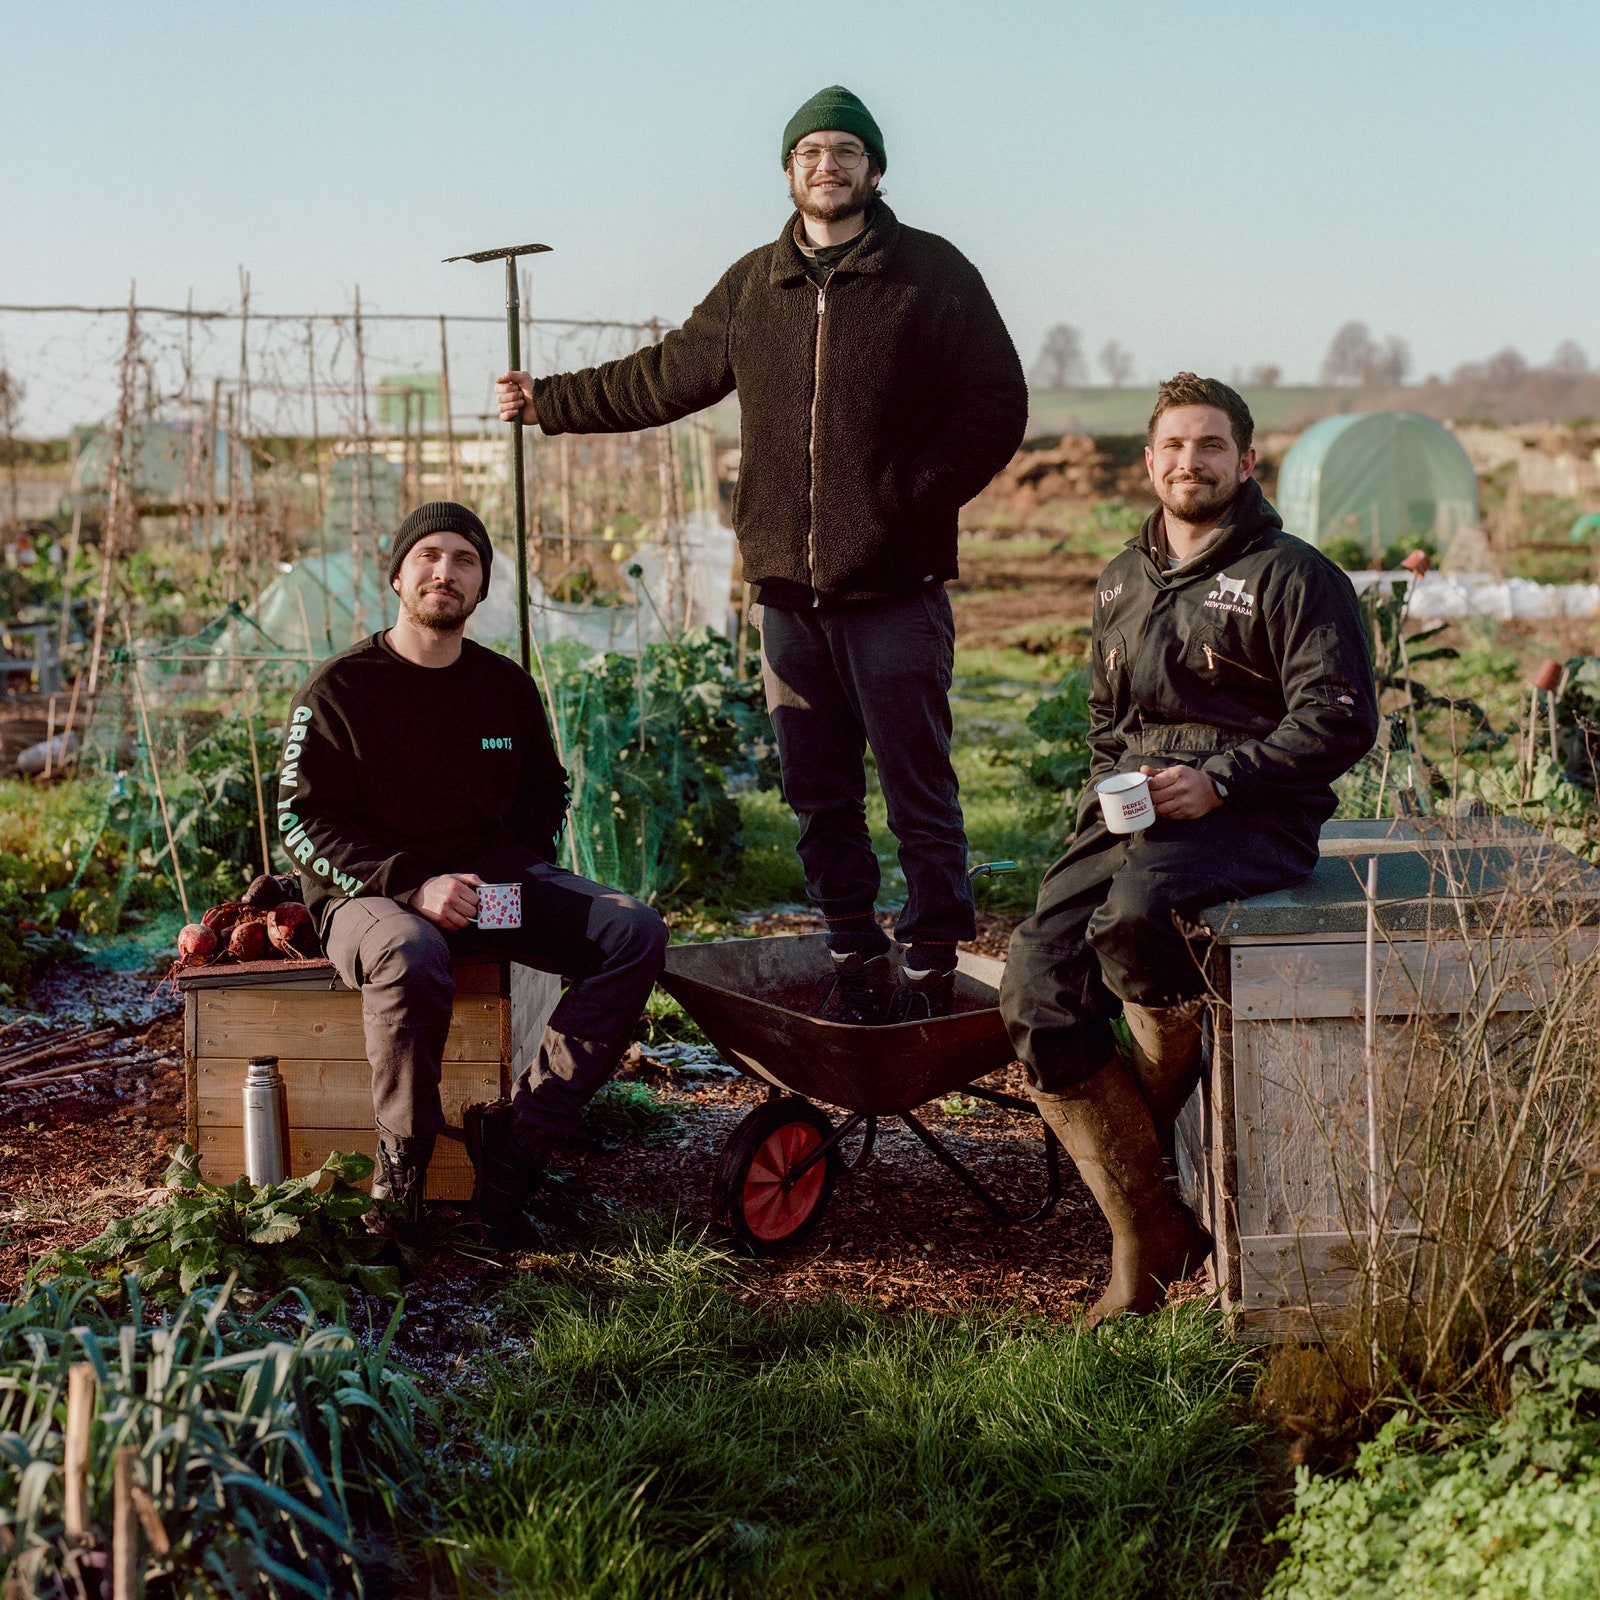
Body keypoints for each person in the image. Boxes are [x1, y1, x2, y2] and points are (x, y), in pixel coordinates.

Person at [497, 85, 1028, 1024]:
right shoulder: (756, 285)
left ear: (875, 169)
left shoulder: (933, 275)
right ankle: (854, 949)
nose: (829, 166)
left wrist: (913, 495)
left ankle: (934, 951)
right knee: (817, 788)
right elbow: (667, 373)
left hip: (896, 587)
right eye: (811, 152)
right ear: (789, 173)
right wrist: (550, 401)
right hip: (787, 593)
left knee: (917, 781)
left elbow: (995, 401)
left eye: (847, 152)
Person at [999, 374, 1379, 1322]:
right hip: (1135, 810)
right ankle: (1153, 1224)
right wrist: (1112, 794)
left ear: (1245, 462)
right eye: (1173, 446)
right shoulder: (1123, 578)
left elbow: (1338, 719)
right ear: (1149, 461)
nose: (1190, 462)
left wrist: (1225, 779)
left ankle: (1154, 1190)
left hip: (1255, 812)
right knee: (1033, 985)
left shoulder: (1295, 575)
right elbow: (1103, 721)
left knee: (1136, 919)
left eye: (1211, 446)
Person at [275, 501, 668, 1242]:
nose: (444, 572)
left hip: (484, 896)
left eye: (464, 559)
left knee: (632, 931)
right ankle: (402, 1180)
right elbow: (302, 819)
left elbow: (545, 789)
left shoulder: (504, 688)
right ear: (397, 574)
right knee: (411, 952)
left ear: (481, 586)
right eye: (428, 555)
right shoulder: (339, 691)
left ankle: (517, 1143)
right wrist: (413, 887)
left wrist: (506, 872)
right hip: (371, 898)